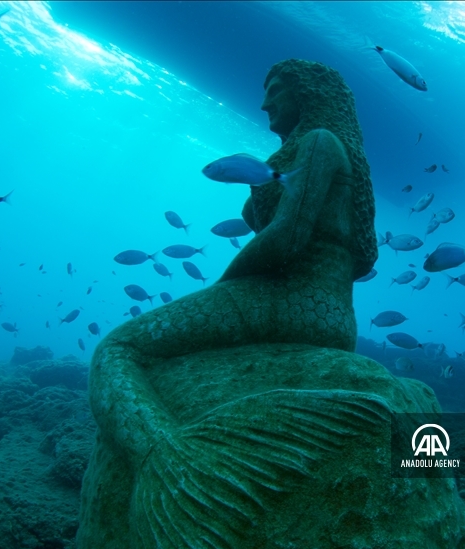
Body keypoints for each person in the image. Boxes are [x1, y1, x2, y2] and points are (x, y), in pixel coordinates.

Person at [90, 59, 376, 440]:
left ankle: (160, 459)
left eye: (275, 92)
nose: (264, 105)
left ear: (306, 95)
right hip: (335, 316)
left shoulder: (320, 141)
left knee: (117, 349)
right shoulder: (309, 153)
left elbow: (288, 239)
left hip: (296, 304)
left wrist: (221, 289)